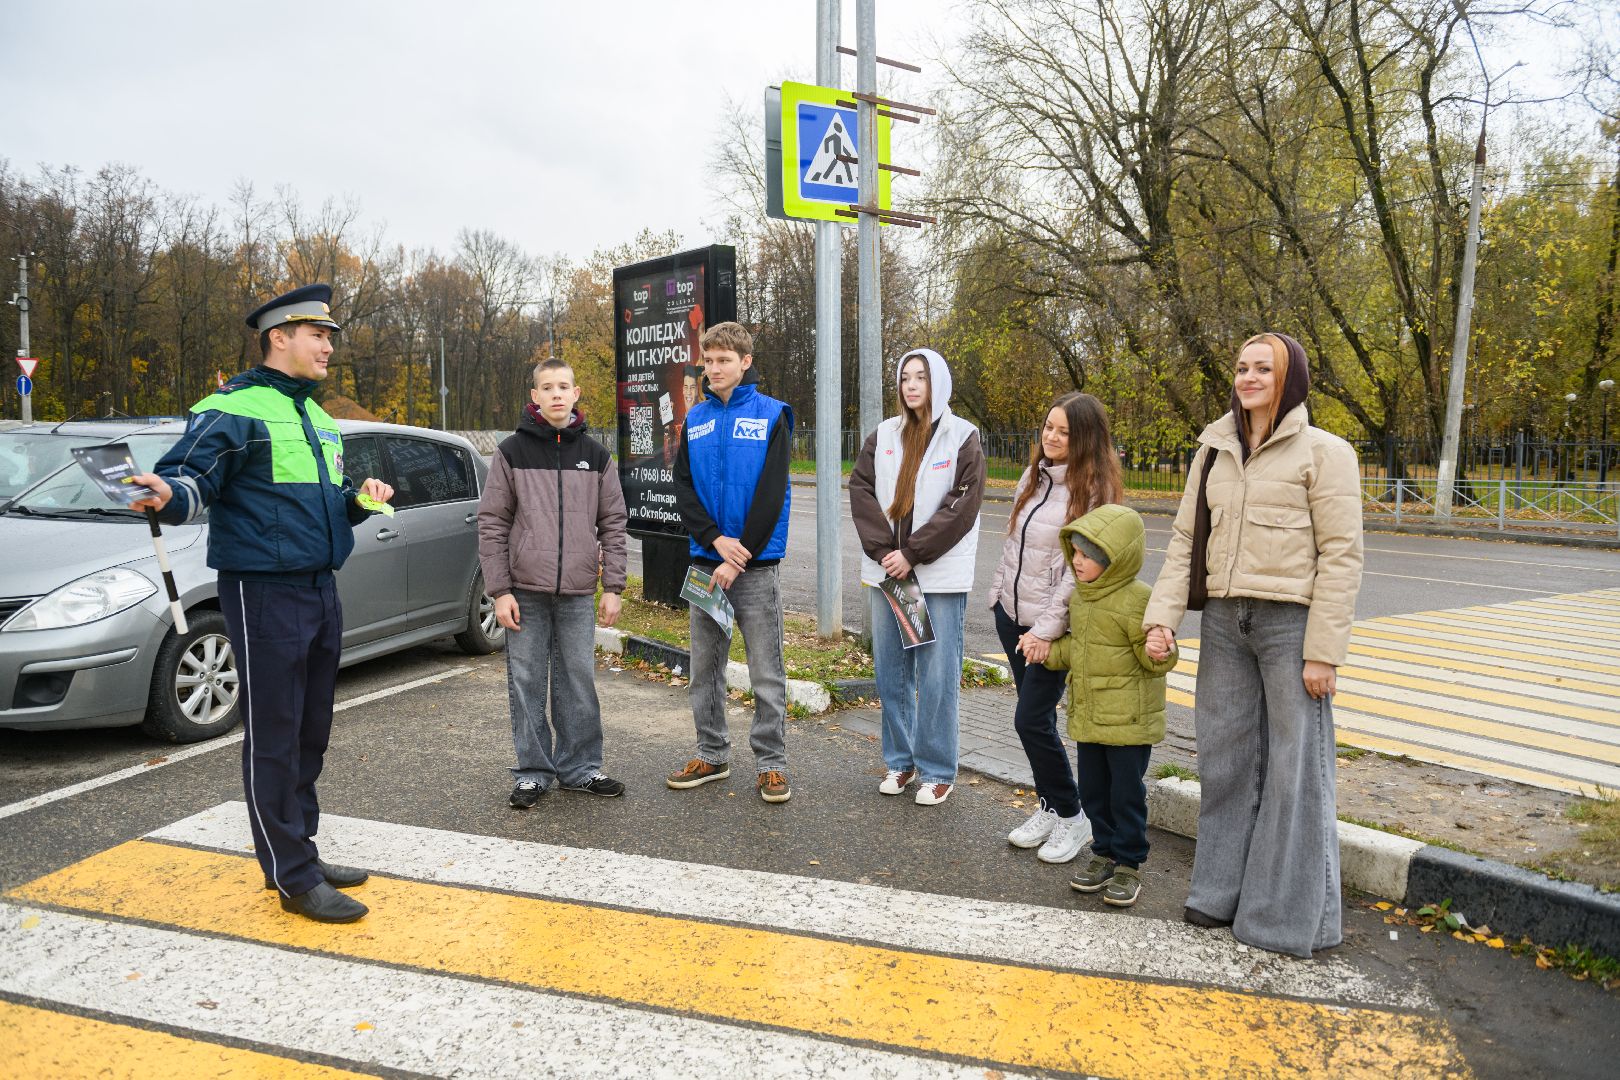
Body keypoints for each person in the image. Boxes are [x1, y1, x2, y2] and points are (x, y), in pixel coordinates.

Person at [130, 284, 394, 924]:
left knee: (311, 730)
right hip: (262, 590)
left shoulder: (320, 418)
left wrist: (360, 501)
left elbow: (328, 507)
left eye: (330, 336)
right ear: (281, 336)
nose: (330, 346)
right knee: (274, 734)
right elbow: (192, 479)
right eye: (319, 335)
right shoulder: (234, 408)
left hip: (318, 586)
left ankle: (296, 847)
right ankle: (292, 876)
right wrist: (168, 494)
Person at [1143, 332, 1363, 958]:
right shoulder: (1212, 450)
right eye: (1241, 367)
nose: (1249, 376)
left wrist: (1323, 651)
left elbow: (1342, 557)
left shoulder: (1326, 453)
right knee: (1226, 759)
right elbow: (1187, 539)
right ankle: (1219, 893)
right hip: (1223, 621)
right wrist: (1163, 619)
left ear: (1289, 379)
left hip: (1289, 628)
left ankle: (1287, 919)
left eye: (1263, 368)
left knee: (1297, 770)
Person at [479, 357, 629, 811]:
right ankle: (534, 772)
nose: (557, 394)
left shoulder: (597, 456)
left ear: (576, 393)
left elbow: (614, 524)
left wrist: (615, 588)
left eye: (564, 385)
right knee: (525, 681)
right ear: (536, 398)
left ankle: (581, 768)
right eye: (548, 387)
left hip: (580, 593)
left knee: (578, 680)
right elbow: (492, 524)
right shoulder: (510, 453)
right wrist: (499, 590)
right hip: (524, 590)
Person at [988, 392, 1123, 864]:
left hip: (1052, 629)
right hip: (1012, 616)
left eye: (1063, 431)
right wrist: (999, 598)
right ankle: (1050, 805)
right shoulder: (1034, 475)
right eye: (1048, 427)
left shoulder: (1093, 491)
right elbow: (1013, 543)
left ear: (1084, 437)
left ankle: (1072, 814)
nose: (1051, 436)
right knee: (1036, 721)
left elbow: (1076, 572)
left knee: (1030, 719)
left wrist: (1045, 629)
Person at [849, 349, 986, 806]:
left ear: (938, 384)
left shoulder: (963, 437)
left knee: (936, 675)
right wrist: (888, 553)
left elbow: (960, 509)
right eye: (905, 378)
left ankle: (937, 770)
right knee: (891, 673)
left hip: (937, 576)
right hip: (891, 573)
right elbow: (862, 491)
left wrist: (913, 553)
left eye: (920, 378)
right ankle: (901, 762)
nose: (911, 386)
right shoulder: (883, 435)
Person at [666, 321, 796, 803]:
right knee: (704, 669)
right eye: (709, 359)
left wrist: (737, 557)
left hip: (754, 568)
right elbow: (685, 490)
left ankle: (771, 763)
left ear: (745, 363)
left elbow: (771, 494)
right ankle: (712, 754)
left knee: (766, 670)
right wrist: (715, 541)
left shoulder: (772, 415)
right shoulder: (694, 420)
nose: (714, 368)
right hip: (705, 564)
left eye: (724, 360)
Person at [1043, 506, 1178, 908]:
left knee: (1125, 795)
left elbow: (1159, 656)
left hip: (1129, 723)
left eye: (1089, 555)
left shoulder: (1139, 599)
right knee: (1094, 792)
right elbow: (1079, 650)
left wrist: (1160, 649)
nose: (1078, 561)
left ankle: (1129, 864)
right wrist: (1048, 651)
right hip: (1090, 717)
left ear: (1115, 559)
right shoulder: (1082, 600)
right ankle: (1103, 854)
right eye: (1076, 553)